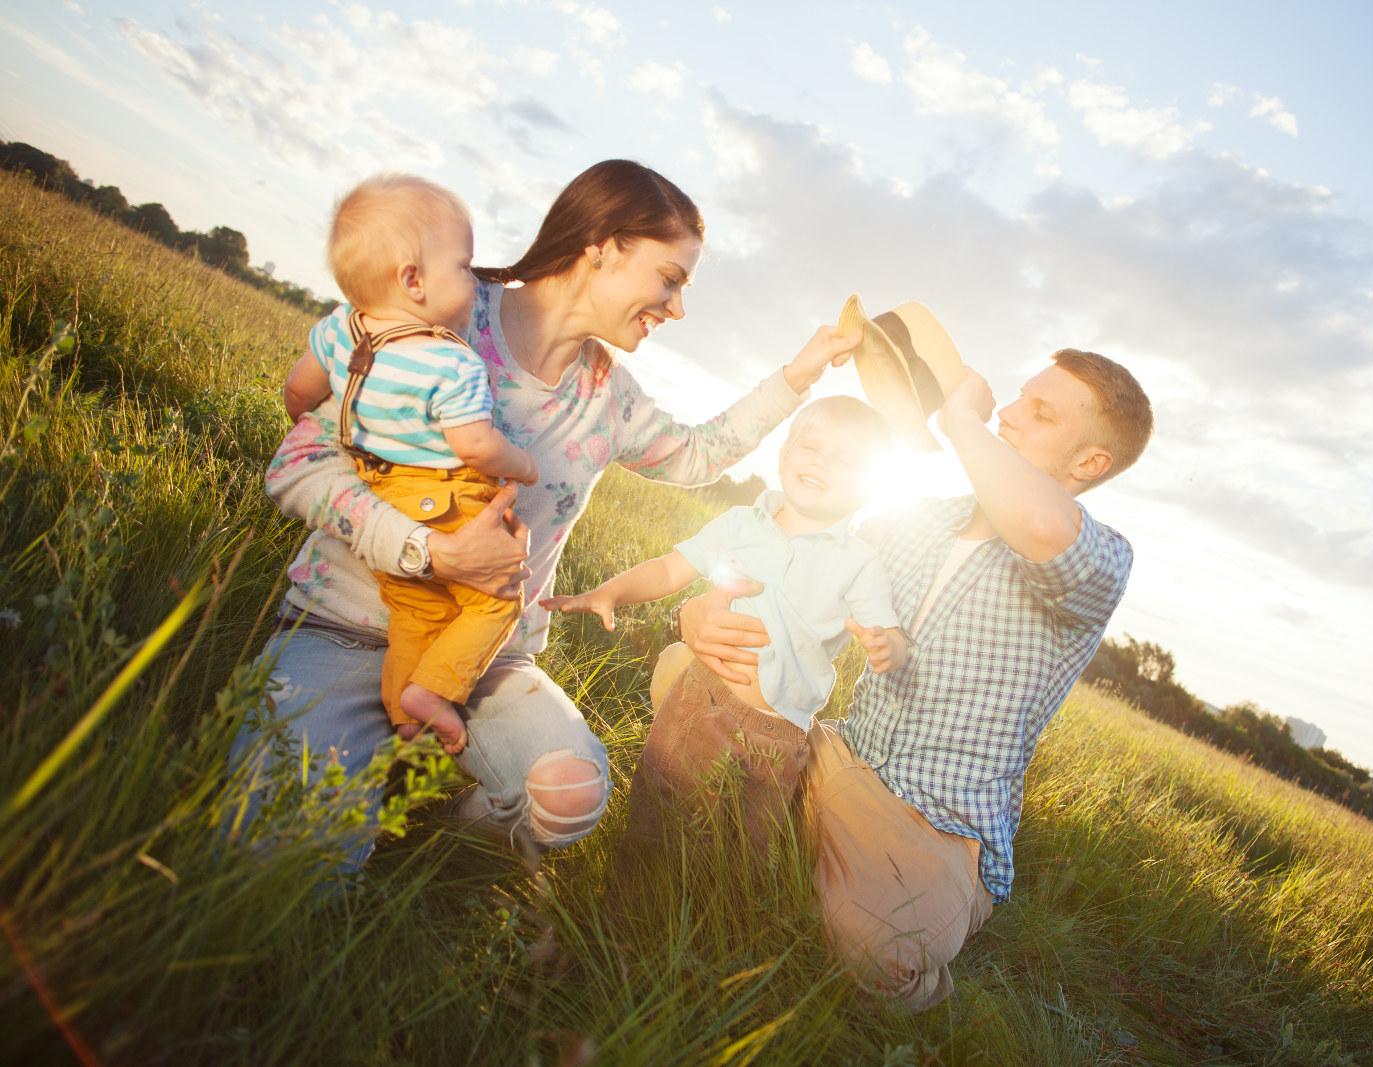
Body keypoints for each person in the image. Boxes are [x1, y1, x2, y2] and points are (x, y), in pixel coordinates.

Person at [237, 159, 860, 875]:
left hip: (488, 660)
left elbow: (698, 455)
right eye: (670, 278)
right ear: (602, 245)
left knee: (567, 794)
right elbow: (302, 460)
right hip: (343, 627)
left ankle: (434, 857)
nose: (676, 307)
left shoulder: (611, 398)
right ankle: (356, 787)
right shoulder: (447, 313)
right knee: (278, 858)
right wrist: (428, 553)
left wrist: (803, 370)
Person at [679, 346, 1153, 1010]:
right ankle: (793, 855)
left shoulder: (1099, 562)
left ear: (1088, 465)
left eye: (1038, 413)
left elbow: (1044, 523)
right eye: (1016, 397)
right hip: (835, 752)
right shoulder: (913, 518)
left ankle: (873, 916)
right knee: (687, 676)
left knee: (877, 952)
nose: (1007, 414)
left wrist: (963, 422)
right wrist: (699, 610)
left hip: (935, 822)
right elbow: (789, 576)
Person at [540, 396, 904, 852]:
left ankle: (721, 911)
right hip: (703, 695)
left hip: (779, 731)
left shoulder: (859, 562)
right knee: (661, 817)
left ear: (867, 487)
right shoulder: (739, 524)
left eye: (844, 460)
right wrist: (611, 591)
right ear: (784, 454)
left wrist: (888, 646)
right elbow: (672, 569)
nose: (821, 463)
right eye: (810, 447)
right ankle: (635, 895)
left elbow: (885, 630)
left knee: (744, 851)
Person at [280, 173, 541, 755]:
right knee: (494, 602)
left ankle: (404, 714)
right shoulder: (452, 362)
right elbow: (475, 447)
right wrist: (521, 462)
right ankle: (433, 692)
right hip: (444, 499)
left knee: (411, 611)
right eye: (464, 266)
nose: (474, 280)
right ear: (413, 280)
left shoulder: (337, 328)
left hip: (379, 490)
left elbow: (299, 396)